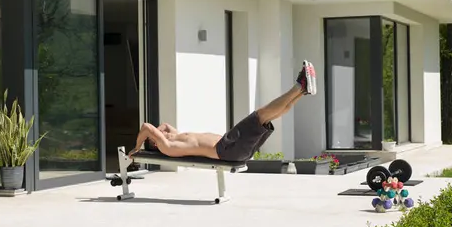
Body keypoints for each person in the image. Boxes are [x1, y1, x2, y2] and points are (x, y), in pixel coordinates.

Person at [128, 60, 317, 162]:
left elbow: (165, 126)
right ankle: (299, 86)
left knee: (269, 117)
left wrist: (161, 131)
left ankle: (303, 90)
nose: (162, 131)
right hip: (228, 148)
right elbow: (146, 127)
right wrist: (137, 146)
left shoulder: (175, 139)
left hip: (230, 147)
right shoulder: (167, 147)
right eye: (157, 135)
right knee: (261, 115)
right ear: (154, 142)